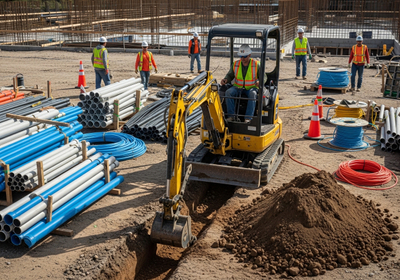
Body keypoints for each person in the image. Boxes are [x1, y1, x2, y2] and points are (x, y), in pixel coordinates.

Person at [220, 44, 266, 123]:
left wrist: (260, 82)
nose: (242, 58)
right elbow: (230, 75)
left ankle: (248, 118)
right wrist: (225, 80)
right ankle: (231, 116)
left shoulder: (256, 64)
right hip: (238, 87)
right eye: (241, 56)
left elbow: (264, 76)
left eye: (244, 56)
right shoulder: (236, 64)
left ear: (249, 55)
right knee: (228, 92)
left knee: (253, 94)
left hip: (251, 87)